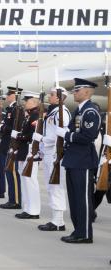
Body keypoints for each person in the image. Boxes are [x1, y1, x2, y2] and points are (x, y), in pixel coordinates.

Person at [58, 78, 101, 244]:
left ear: (87, 92)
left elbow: (88, 136)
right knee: (74, 198)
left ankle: (85, 233)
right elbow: (72, 129)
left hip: (82, 160)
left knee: (82, 199)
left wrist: (66, 135)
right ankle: (78, 231)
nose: (74, 93)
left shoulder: (90, 111)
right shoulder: (79, 110)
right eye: (74, 90)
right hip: (73, 159)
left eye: (77, 90)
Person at [37, 86, 70, 231]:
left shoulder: (62, 112)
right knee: (51, 186)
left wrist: (42, 139)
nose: (49, 97)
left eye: (51, 95)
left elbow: (61, 134)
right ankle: (57, 220)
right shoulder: (54, 112)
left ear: (58, 98)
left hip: (56, 154)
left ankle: (58, 221)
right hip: (49, 153)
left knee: (56, 187)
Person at [14, 90, 41, 219]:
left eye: (27, 100)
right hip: (23, 151)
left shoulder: (36, 116)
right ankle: (27, 208)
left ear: (34, 102)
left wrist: (19, 136)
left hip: (30, 151)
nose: (25, 103)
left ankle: (34, 210)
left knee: (30, 181)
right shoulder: (29, 115)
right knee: (25, 180)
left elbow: (32, 135)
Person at [0, 87, 24, 209]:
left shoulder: (17, 109)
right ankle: (12, 199)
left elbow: (15, 127)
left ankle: (16, 201)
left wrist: (2, 128)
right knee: (8, 171)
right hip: (7, 143)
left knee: (12, 172)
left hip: (12, 144)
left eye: (9, 94)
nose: (7, 96)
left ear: (14, 96)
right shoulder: (11, 109)